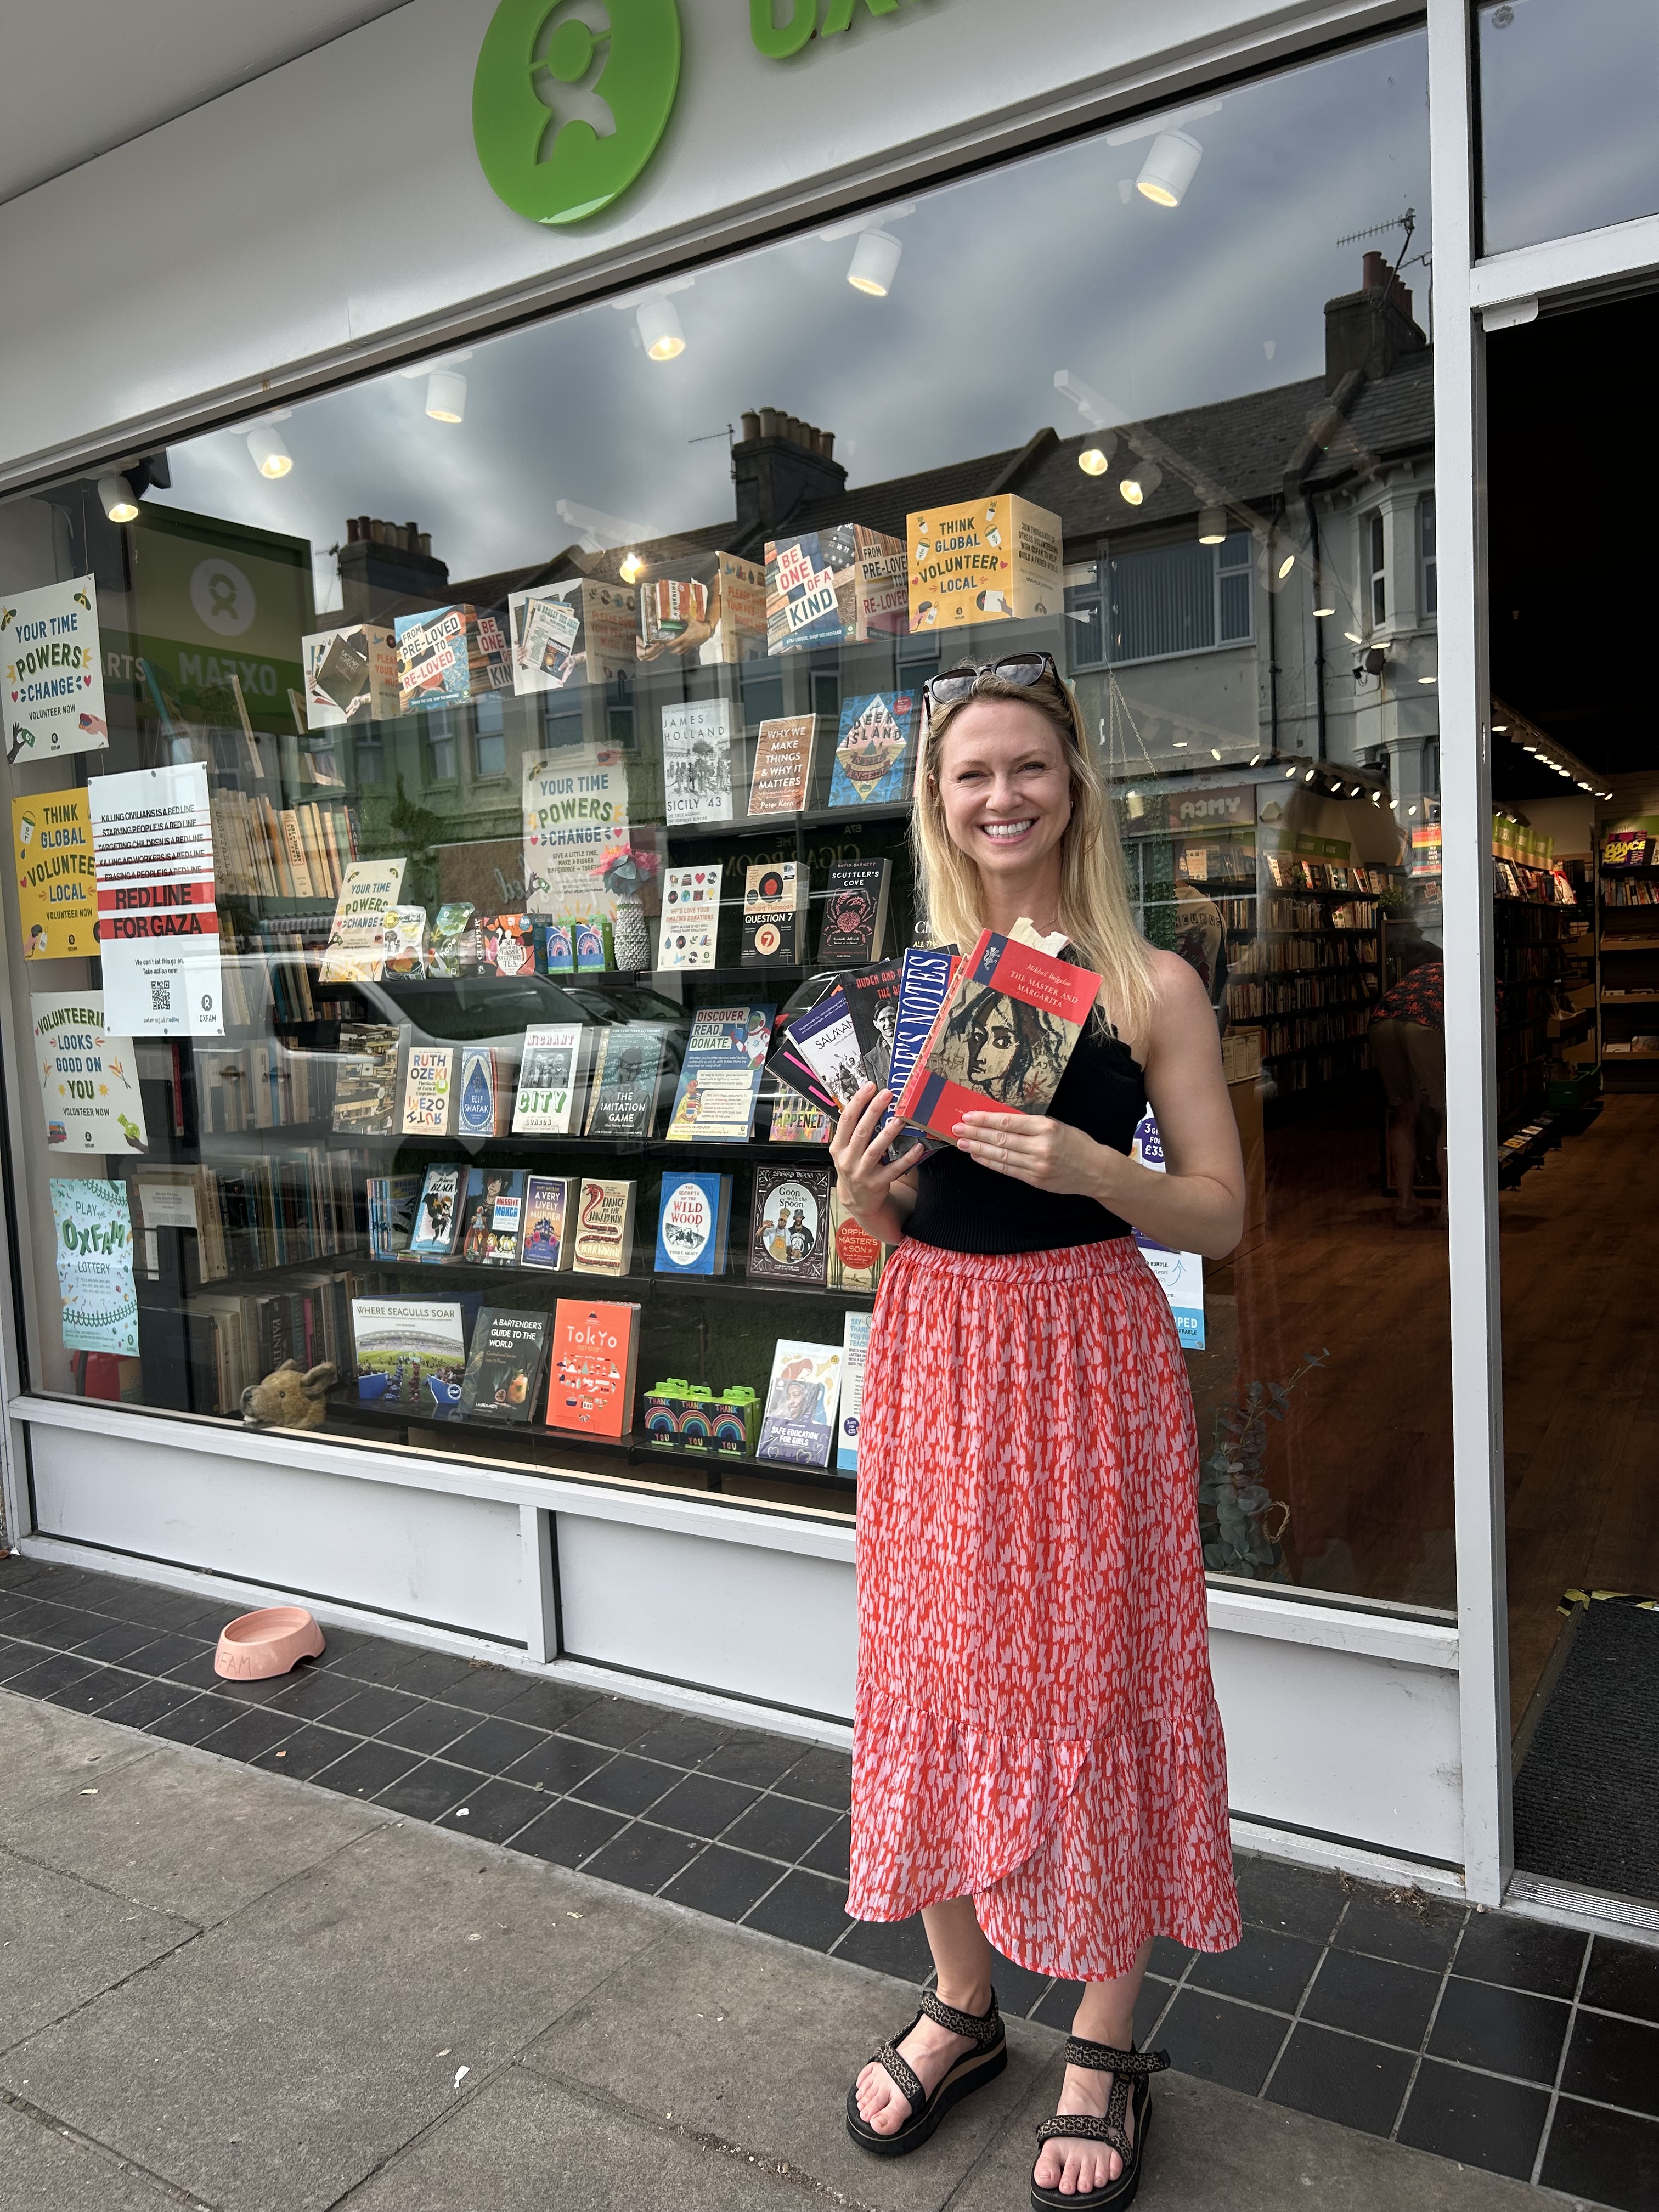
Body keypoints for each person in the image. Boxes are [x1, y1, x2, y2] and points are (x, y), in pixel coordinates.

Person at [831, 653, 1245, 2211]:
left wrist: (1093, 1163)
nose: (1000, 796)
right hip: (939, 1350)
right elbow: (879, 1236)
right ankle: (964, 2006)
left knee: (1098, 1673)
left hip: (1087, 1351)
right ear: (939, 804)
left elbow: (1219, 1216)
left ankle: (1105, 2040)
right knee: (929, 1669)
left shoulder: (1153, 984)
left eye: (1027, 767)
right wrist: (864, 1193)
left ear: (1077, 784)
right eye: (968, 775)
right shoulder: (913, 987)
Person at [1368, 939, 1447, 1227]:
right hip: (1425, 1026)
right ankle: (1448, 1210)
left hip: (1382, 1023)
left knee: (1402, 1113)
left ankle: (1405, 1205)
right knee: (1450, 1116)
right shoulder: (1465, 972)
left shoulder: (1414, 975)